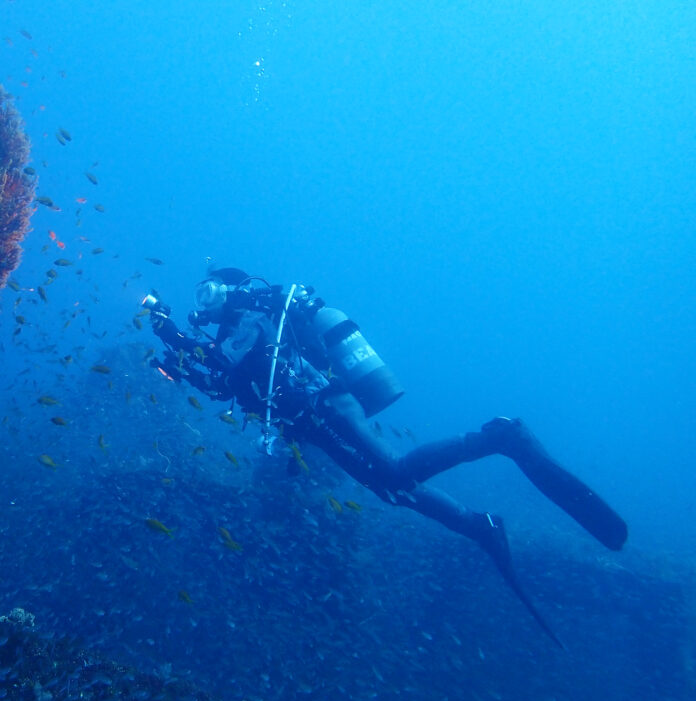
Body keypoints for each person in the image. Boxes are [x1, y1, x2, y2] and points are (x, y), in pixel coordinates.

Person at [144, 268, 628, 647]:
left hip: (328, 406)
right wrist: (172, 341)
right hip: (310, 426)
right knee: (391, 490)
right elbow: (223, 382)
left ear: (230, 289)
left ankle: (500, 437)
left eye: (209, 292)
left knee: (395, 472)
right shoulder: (233, 335)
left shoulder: (258, 315)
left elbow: (248, 364)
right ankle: (480, 526)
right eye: (200, 297)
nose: (203, 303)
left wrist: (193, 331)